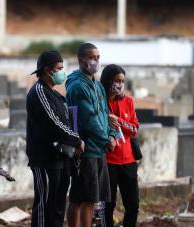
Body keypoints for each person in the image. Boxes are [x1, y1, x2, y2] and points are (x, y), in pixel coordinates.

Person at [26, 50, 84, 227]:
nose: (62, 72)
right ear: (47, 70)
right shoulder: (39, 92)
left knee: (58, 207)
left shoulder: (56, 95)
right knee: (45, 205)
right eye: (59, 68)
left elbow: (66, 121)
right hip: (45, 158)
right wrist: (77, 140)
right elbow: (54, 124)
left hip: (61, 158)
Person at [65, 43, 116, 227]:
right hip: (85, 149)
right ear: (81, 60)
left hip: (98, 149)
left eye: (98, 57)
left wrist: (111, 135)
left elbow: (104, 113)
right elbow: (89, 119)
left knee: (91, 198)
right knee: (78, 198)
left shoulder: (96, 84)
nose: (96, 61)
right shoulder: (78, 86)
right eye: (92, 58)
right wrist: (105, 139)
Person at [100, 64, 140, 227]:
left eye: (122, 81)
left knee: (133, 205)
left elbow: (135, 129)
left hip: (129, 161)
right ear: (108, 81)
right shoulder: (100, 103)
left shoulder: (128, 101)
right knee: (108, 205)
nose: (120, 84)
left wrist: (120, 122)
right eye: (117, 80)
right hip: (108, 162)